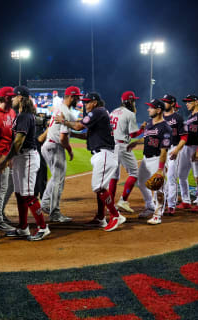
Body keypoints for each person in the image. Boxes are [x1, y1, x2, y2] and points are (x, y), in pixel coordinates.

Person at [56, 92, 125, 231]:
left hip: (104, 154)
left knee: (98, 187)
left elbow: (78, 126)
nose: (85, 104)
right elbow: (87, 134)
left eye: (87, 102)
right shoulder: (100, 113)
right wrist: (73, 134)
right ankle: (100, 218)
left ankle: (116, 215)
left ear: (95, 103)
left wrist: (63, 121)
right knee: (100, 188)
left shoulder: (98, 111)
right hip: (102, 154)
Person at [0, 85, 50, 241]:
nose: (12, 99)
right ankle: (23, 227)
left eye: (14, 96)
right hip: (21, 158)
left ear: (20, 98)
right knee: (20, 194)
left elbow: (18, 142)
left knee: (28, 195)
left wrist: (6, 158)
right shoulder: (22, 115)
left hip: (27, 157)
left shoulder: (24, 116)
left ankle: (43, 227)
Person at [40, 86, 83, 222]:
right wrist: (69, 150)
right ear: (71, 97)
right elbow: (64, 138)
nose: (78, 100)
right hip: (55, 146)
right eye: (77, 97)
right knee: (58, 180)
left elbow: (66, 131)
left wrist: (83, 137)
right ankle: (55, 212)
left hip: (48, 145)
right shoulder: (67, 113)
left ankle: (46, 204)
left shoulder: (58, 107)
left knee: (55, 178)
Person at [127, 99, 172, 224]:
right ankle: (150, 206)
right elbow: (147, 138)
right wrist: (136, 142)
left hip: (158, 159)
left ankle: (158, 214)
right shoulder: (149, 124)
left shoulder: (165, 128)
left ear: (158, 110)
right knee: (141, 183)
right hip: (146, 159)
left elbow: (164, 150)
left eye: (151, 107)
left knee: (159, 187)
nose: (148, 109)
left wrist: (160, 169)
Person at [109, 90, 145, 214]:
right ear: (129, 101)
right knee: (134, 172)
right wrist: (142, 129)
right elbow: (133, 134)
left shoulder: (113, 111)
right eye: (133, 100)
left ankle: (110, 206)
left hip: (111, 146)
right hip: (122, 145)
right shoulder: (129, 114)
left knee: (113, 177)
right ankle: (123, 200)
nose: (134, 102)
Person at [0, 87, 17, 231]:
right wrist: (1, 158)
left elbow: (12, 136)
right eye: (9, 97)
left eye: (13, 97)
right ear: (2, 98)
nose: (12, 99)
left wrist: (11, 156)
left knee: (11, 186)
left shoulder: (12, 112)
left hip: (9, 156)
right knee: (0, 189)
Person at [161, 95, 187, 215]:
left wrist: (177, 150)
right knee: (160, 178)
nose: (164, 103)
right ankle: (162, 202)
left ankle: (171, 205)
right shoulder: (159, 117)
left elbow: (184, 137)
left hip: (173, 149)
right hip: (161, 151)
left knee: (171, 177)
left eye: (166, 102)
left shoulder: (178, 118)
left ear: (172, 104)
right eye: (163, 101)